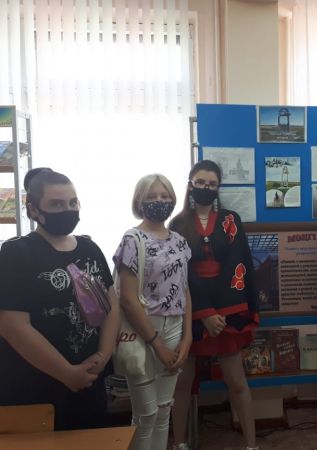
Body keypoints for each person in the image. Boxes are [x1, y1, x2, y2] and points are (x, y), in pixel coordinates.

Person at [0, 167, 120, 430]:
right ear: (33, 210)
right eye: (56, 204)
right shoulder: (15, 253)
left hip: (90, 381)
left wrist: (103, 355)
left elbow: (111, 306)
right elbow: (13, 326)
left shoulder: (90, 248)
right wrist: (67, 373)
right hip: (36, 387)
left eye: (72, 203)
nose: (67, 210)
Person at [170, 160, 259, 450]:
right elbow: (181, 271)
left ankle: (251, 445)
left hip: (226, 310)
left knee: (237, 382)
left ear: (218, 187)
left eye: (211, 184)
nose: (205, 188)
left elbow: (238, 264)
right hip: (191, 311)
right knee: (182, 383)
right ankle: (180, 443)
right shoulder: (177, 224)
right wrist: (204, 312)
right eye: (200, 182)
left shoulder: (231, 220)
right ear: (190, 184)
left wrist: (219, 313)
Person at [113, 174, 192, 450]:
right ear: (139, 201)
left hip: (175, 326)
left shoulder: (180, 242)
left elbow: (184, 290)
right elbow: (127, 299)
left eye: (165, 196)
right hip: (142, 329)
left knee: (164, 409)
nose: (160, 201)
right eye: (152, 196)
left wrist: (187, 337)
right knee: (146, 414)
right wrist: (157, 345)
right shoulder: (132, 240)